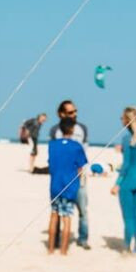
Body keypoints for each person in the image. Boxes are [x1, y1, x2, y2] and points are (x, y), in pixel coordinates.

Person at [47, 101, 90, 248]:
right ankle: (57, 243)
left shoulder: (82, 128)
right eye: (71, 112)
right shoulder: (54, 131)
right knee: (62, 215)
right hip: (62, 179)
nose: (75, 114)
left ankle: (83, 239)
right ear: (61, 113)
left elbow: (83, 154)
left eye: (75, 111)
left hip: (77, 177)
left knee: (82, 208)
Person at [113, 106, 136, 254]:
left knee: (128, 217)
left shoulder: (126, 139)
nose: (121, 120)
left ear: (128, 121)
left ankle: (127, 248)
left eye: (122, 118)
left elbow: (126, 165)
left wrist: (117, 184)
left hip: (128, 181)